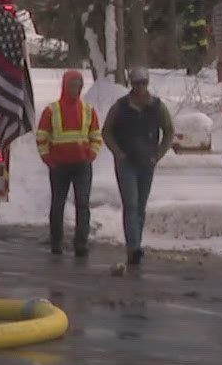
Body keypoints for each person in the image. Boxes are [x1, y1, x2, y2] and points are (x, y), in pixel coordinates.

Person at [102, 68, 174, 267]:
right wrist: (118, 153)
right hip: (126, 162)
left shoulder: (158, 107)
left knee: (140, 205)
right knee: (131, 203)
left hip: (146, 162)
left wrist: (157, 155)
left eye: (143, 83)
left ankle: (137, 243)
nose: (140, 87)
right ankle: (133, 247)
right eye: (136, 83)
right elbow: (107, 131)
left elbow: (169, 131)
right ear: (131, 84)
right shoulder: (120, 106)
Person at [34, 69, 101, 257]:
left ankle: (81, 243)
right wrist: (49, 160)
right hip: (59, 166)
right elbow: (41, 137)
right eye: (72, 85)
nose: (75, 89)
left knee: (83, 204)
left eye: (79, 85)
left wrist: (91, 155)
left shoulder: (88, 110)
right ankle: (56, 242)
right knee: (58, 204)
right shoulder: (52, 110)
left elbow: (96, 135)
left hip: (82, 165)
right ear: (65, 86)